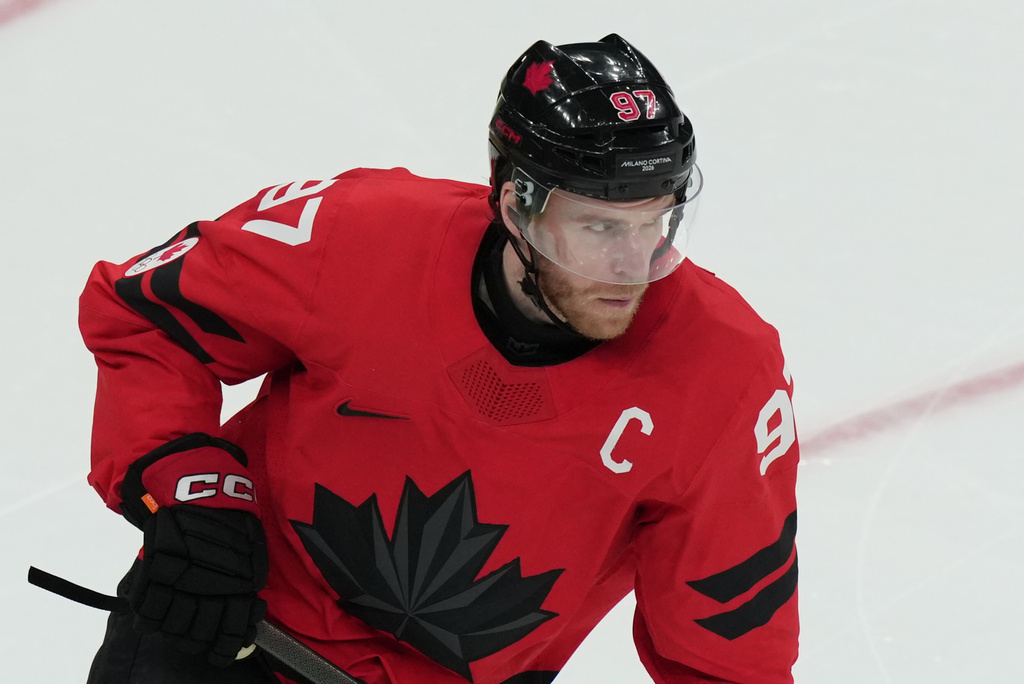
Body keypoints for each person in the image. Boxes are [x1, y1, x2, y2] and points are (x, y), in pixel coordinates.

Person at [79, 34, 799, 684]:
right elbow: (147, 315)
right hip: (215, 634)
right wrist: (185, 484)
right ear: (516, 202)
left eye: (658, 220)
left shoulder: (724, 375)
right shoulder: (355, 234)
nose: (632, 264)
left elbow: (729, 657)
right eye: (600, 225)